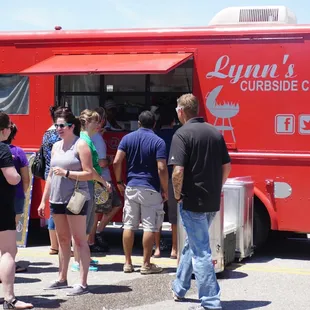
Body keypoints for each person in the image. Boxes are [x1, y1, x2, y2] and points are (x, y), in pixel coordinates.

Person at [169, 94, 231, 310]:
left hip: (192, 200)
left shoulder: (181, 134)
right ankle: (179, 287)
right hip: (212, 200)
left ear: (181, 111)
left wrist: (177, 195)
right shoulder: (215, 132)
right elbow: (227, 166)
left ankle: (211, 301)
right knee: (193, 244)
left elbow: (178, 171)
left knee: (201, 251)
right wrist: (218, 187)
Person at [38, 108, 94, 296]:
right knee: (62, 240)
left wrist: (68, 173)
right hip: (57, 198)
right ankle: (62, 278)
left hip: (75, 198)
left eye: (61, 125)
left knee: (79, 240)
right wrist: (43, 201)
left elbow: (89, 173)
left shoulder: (81, 145)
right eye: (56, 125)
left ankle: (83, 283)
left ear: (71, 126)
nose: (58, 129)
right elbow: (51, 176)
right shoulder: (56, 146)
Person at [113, 111, 168, 274]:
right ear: (154, 124)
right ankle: (146, 264)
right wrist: (165, 189)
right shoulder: (159, 142)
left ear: (138, 123)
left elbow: (117, 161)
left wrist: (118, 181)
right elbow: (162, 167)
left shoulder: (127, 138)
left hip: (131, 186)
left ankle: (128, 263)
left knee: (129, 225)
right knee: (149, 227)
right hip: (150, 188)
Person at [0, 112, 33, 309]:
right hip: (2, 207)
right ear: (4, 130)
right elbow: (12, 177)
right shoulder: (3, 150)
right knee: (8, 252)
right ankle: (9, 299)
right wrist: (20, 179)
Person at [72, 109, 111, 268]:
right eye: (95, 122)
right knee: (84, 225)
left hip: (84, 184)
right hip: (87, 185)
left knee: (83, 225)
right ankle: (79, 261)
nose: (98, 125)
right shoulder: (86, 140)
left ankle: (81, 258)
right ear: (87, 123)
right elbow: (90, 168)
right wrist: (103, 181)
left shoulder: (83, 138)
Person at [88, 107, 122, 252]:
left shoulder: (91, 136)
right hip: (102, 179)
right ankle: (93, 239)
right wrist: (109, 159)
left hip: (98, 179)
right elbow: (101, 163)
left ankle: (96, 234)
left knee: (105, 208)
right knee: (99, 212)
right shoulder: (97, 138)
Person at [4, 123, 30, 273]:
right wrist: (23, 193)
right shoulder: (19, 152)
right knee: (10, 232)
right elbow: (25, 179)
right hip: (16, 196)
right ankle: (9, 264)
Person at [153, 106, 178, 259]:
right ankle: (174, 249)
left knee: (157, 215)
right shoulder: (178, 135)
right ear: (173, 121)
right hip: (173, 178)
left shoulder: (155, 136)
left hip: (157, 178)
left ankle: (156, 248)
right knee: (174, 216)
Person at [41, 105, 61, 256]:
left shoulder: (46, 133)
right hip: (59, 173)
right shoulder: (59, 134)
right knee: (58, 211)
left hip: (49, 172)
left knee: (52, 210)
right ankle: (58, 246)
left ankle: (53, 246)